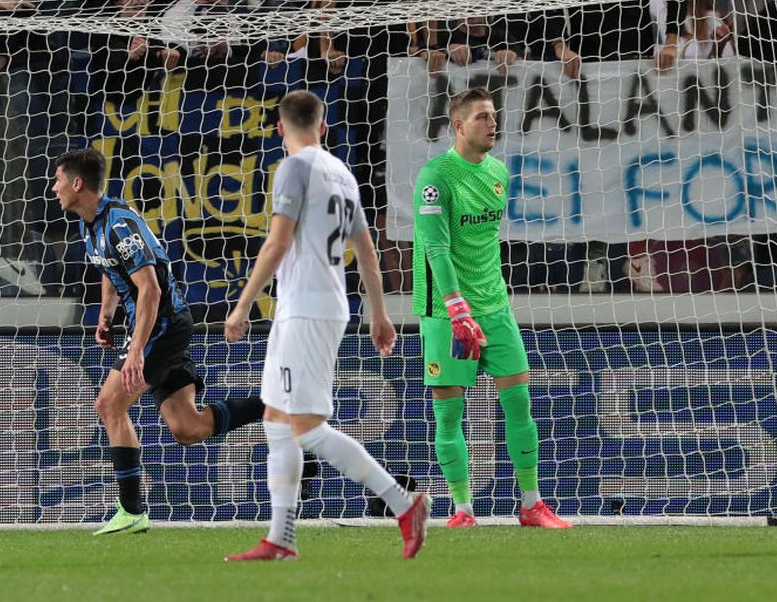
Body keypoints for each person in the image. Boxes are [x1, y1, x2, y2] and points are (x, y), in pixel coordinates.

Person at [224, 90, 430, 561]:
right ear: (322, 125)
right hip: (316, 305)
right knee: (276, 420)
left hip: (307, 308)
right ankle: (281, 537)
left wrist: (241, 306)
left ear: (280, 128)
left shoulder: (294, 168)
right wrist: (379, 313)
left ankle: (404, 501)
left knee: (308, 429)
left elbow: (276, 245)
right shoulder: (342, 173)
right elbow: (368, 252)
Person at [52, 148, 270, 535]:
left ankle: (131, 510)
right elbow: (111, 270)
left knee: (108, 403)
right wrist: (107, 315)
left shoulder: (119, 224)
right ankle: (277, 408)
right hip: (157, 327)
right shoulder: (92, 224)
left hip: (162, 327)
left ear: (77, 183)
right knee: (187, 428)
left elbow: (150, 289)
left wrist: (136, 350)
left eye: (57, 180)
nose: (54, 189)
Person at [411, 87, 572, 529]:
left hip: (495, 306)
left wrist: (483, 303)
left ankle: (532, 504)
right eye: (482, 116)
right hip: (447, 312)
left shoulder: (499, 172)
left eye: (494, 115)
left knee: (519, 402)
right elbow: (437, 248)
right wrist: (455, 305)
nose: (492, 122)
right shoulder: (435, 177)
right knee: (449, 411)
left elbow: (484, 245)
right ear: (459, 126)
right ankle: (462, 509)